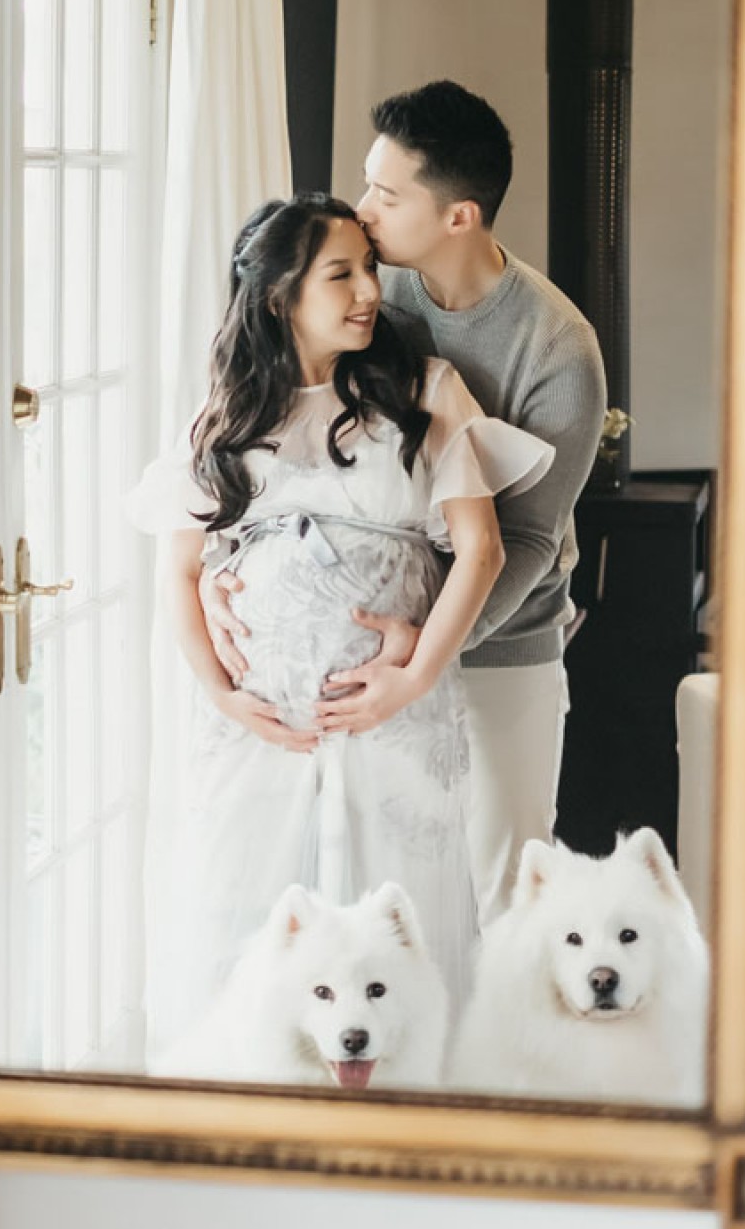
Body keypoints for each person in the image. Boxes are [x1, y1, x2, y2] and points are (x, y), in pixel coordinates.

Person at [128, 193, 553, 1039]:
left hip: (392, 720)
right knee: (251, 928)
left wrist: (415, 677)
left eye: (368, 267)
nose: (368, 291)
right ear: (279, 295)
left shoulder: (424, 392)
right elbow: (179, 570)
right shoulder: (225, 417)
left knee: (395, 924)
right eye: (340, 274)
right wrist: (222, 696)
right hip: (263, 731)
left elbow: (482, 552)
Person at [204, 83, 607, 927]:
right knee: (387, 903)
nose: (363, 207)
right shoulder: (372, 303)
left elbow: (529, 540)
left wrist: (424, 654)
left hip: (503, 650)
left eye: (387, 195)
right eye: (367, 181)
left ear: (459, 216)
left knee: (502, 892)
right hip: (364, 662)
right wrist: (219, 573)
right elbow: (292, 447)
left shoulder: (558, 349)